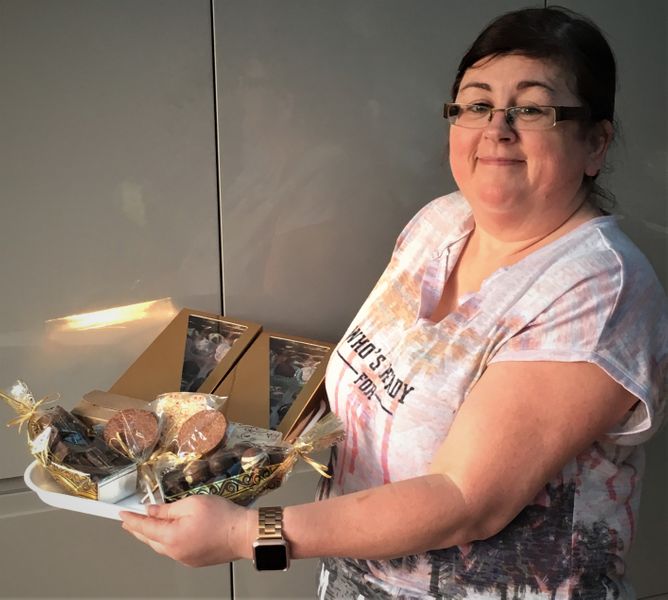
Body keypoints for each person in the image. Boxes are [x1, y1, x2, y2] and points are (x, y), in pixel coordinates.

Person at [120, 7, 668, 599]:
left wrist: (246, 534)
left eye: (531, 108)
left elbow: (465, 500)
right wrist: (204, 434)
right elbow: (370, 379)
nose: (497, 128)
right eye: (476, 103)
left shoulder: (600, 288)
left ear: (595, 143)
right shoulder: (441, 223)